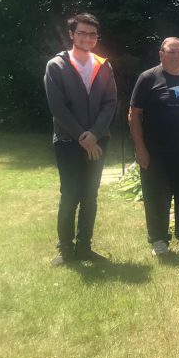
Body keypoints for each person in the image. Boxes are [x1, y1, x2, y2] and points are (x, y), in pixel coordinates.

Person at [44, 13, 117, 265]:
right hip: (67, 141)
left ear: (97, 38)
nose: (87, 38)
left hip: (98, 140)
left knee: (90, 195)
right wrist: (81, 136)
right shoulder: (57, 65)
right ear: (72, 35)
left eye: (92, 34)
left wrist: (94, 134)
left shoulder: (103, 65)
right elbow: (58, 108)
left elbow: (110, 103)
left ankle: (85, 248)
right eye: (82, 33)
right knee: (71, 194)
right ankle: (65, 250)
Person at [129, 37, 179, 256]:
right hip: (156, 151)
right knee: (156, 195)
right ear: (161, 54)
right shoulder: (148, 78)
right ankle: (159, 240)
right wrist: (140, 148)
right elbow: (134, 114)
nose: (177, 56)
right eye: (172, 52)